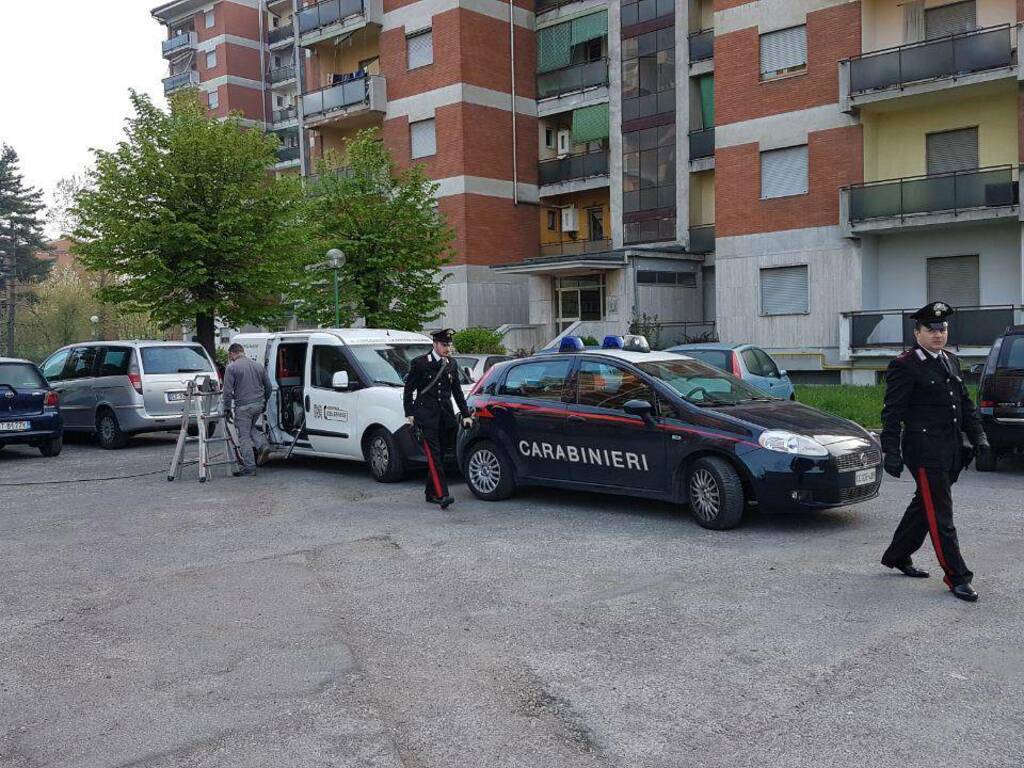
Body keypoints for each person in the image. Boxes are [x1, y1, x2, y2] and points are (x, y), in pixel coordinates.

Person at [879, 301, 990, 602]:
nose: (938, 334)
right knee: (941, 515)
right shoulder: (904, 365)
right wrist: (890, 450)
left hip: (951, 449)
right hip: (925, 451)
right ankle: (957, 577)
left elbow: (964, 404)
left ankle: (897, 555)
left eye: (942, 329)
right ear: (917, 333)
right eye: (931, 329)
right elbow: (892, 412)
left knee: (924, 506)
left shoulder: (950, 360)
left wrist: (978, 437)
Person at [403, 329, 473, 508]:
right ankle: (443, 494)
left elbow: (457, 391)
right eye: (444, 345)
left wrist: (465, 415)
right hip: (426, 416)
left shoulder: (451, 363)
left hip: (446, 416)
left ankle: (430, 492)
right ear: (434, 344)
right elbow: (409, 389)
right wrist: (409, 413)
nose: (447, 348)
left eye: (448, 345)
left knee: (440, 456)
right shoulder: (420, 363)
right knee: (434, 456)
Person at [222, 343, 272, 477]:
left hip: (244, 406)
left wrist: (227, 408)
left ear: (232, 353)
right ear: (243, 352)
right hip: (258, 404)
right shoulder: (258, 366)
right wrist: (264, 401)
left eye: (230, 355)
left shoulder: (231, 368)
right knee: (249, 427)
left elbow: (227, 391)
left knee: (243, 436)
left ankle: (249, 467)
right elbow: (269, 387)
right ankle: (262, 445)